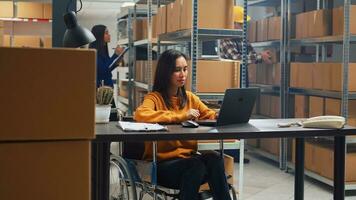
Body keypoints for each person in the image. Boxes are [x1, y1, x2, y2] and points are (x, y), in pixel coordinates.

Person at [134, 49, 232, 200]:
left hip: (188, 161)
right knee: (195, 165)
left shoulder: (190, 98)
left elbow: (208, 114)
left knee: (215, 159)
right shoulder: (154, 98)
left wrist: (221, 114)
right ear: (166, 72)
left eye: (185, 69)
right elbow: (141, 114)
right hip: (161, 164)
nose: (183, 74)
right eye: (177, 70)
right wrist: (181, 116)